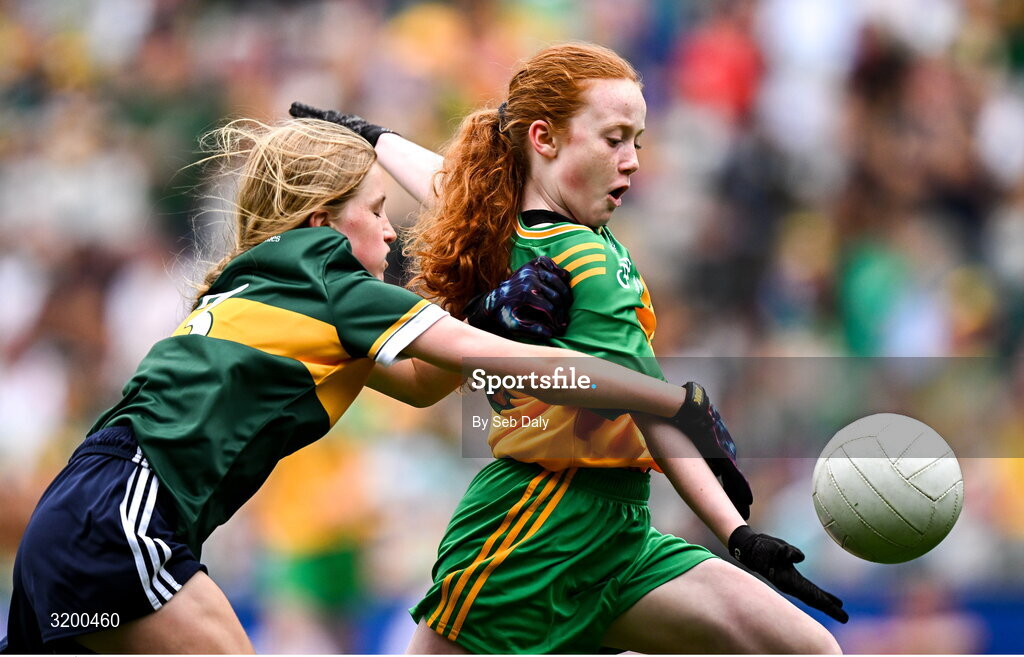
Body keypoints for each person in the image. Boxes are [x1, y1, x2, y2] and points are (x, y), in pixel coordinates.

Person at [1, 117, 726, 654]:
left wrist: (481, 313)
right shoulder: (327, 272)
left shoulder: (273, 284)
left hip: (71, 525)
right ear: (322, 221)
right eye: (377, 211)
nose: (390, 233)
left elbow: (420, 381)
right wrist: (668, 401)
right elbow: (497, 361)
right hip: (121, 518)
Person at [292, 42, 847, 654]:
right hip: (534, 529)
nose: (632, 160)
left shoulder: (507, 226)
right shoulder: (583, 257)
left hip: (621, 534)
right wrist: (737, 535)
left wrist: (374, 136)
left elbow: (447, 186)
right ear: (544, 139)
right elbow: (652, 407)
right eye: (614, 139)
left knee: (808, 649)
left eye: (637, 141)